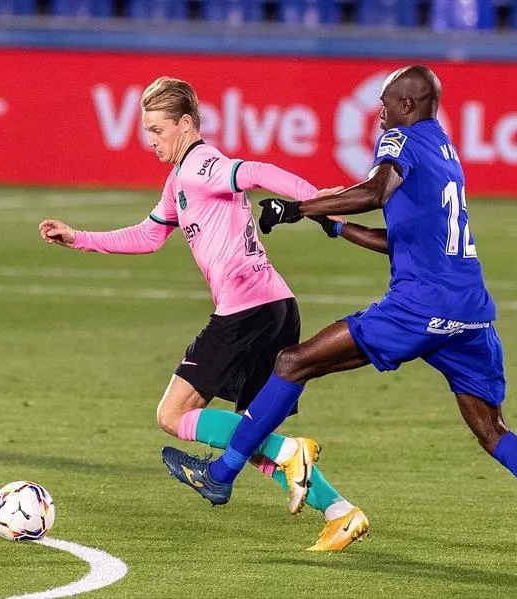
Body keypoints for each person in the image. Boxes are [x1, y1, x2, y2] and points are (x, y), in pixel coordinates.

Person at [162, 66, 517, 565]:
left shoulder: (400, 139)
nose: (379, 115)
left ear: (408, 106)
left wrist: (300, 208)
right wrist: (336, 227)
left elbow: (376, 191)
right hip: (471, 314)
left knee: (291, 363)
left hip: (419, 310)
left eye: (387, 104)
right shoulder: (445, 149)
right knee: (492, 429)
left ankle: (221, 475)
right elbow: (403, 242)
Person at [39, 76, 367, 552]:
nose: (150, 141)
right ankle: (340, 512)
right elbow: (148, 236)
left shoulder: (200, 166)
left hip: (246, 314)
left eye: (156, 129)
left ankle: (291, 451)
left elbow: (253, 171)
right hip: (274, 307)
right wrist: (79, 237)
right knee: (248, 438)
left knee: (173, 414)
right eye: (147, 130)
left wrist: (314, 203)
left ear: (186, 124)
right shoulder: (179, 181)